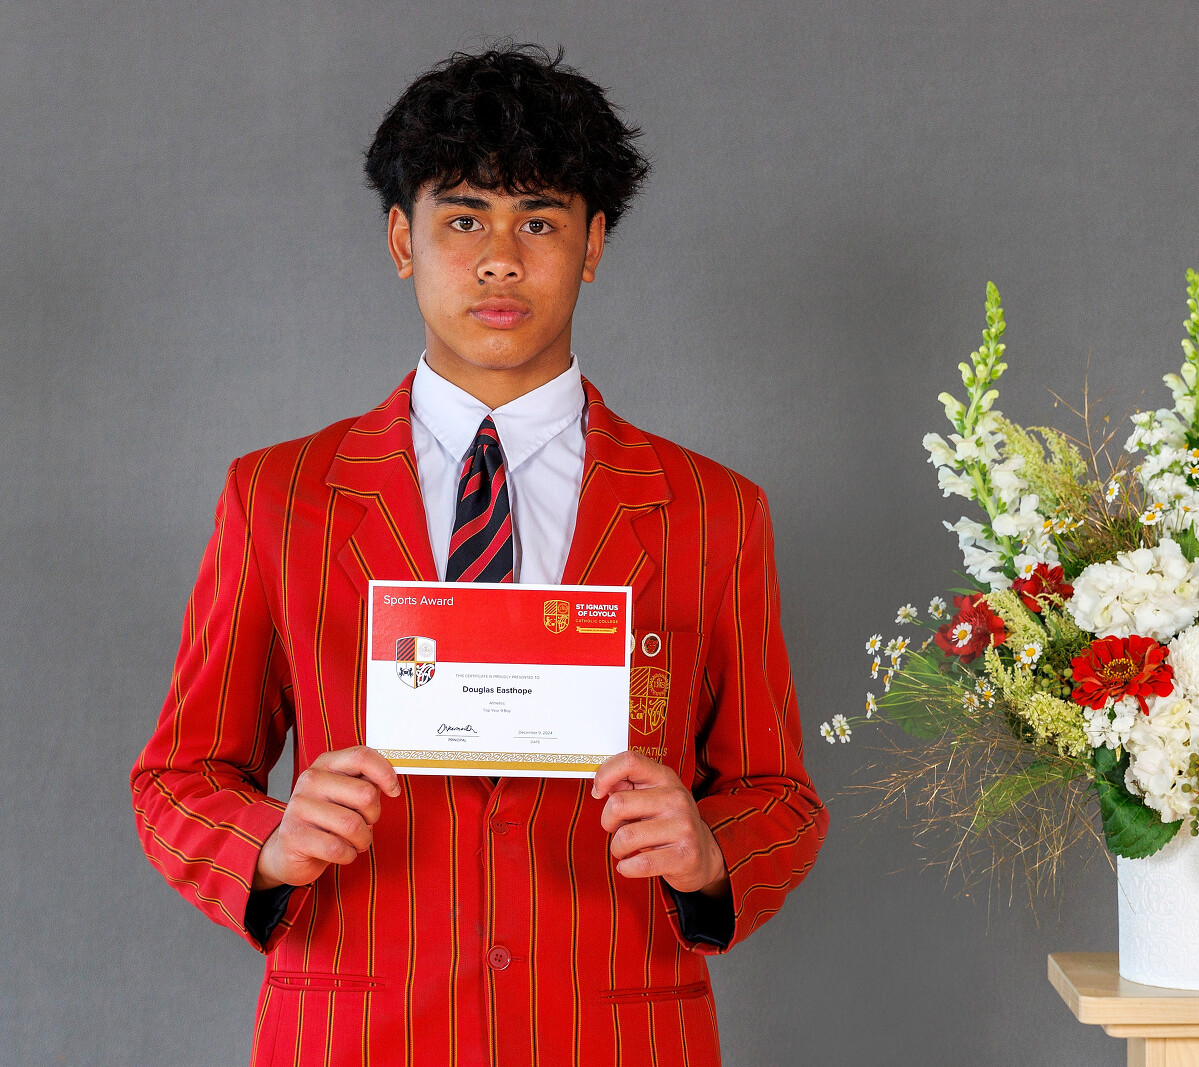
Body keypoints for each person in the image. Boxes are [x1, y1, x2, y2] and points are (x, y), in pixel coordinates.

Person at [129, 44, 826, 1066]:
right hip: (354, 1027)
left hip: (616, 1030)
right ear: (401, 240)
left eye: (538, 221)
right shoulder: (277, 495)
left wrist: (712, 850)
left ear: (593, 244)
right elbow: (179, 775)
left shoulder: (714, 511)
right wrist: (267, 843)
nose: (501, 259)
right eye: (463, 220)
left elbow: (779, 794)